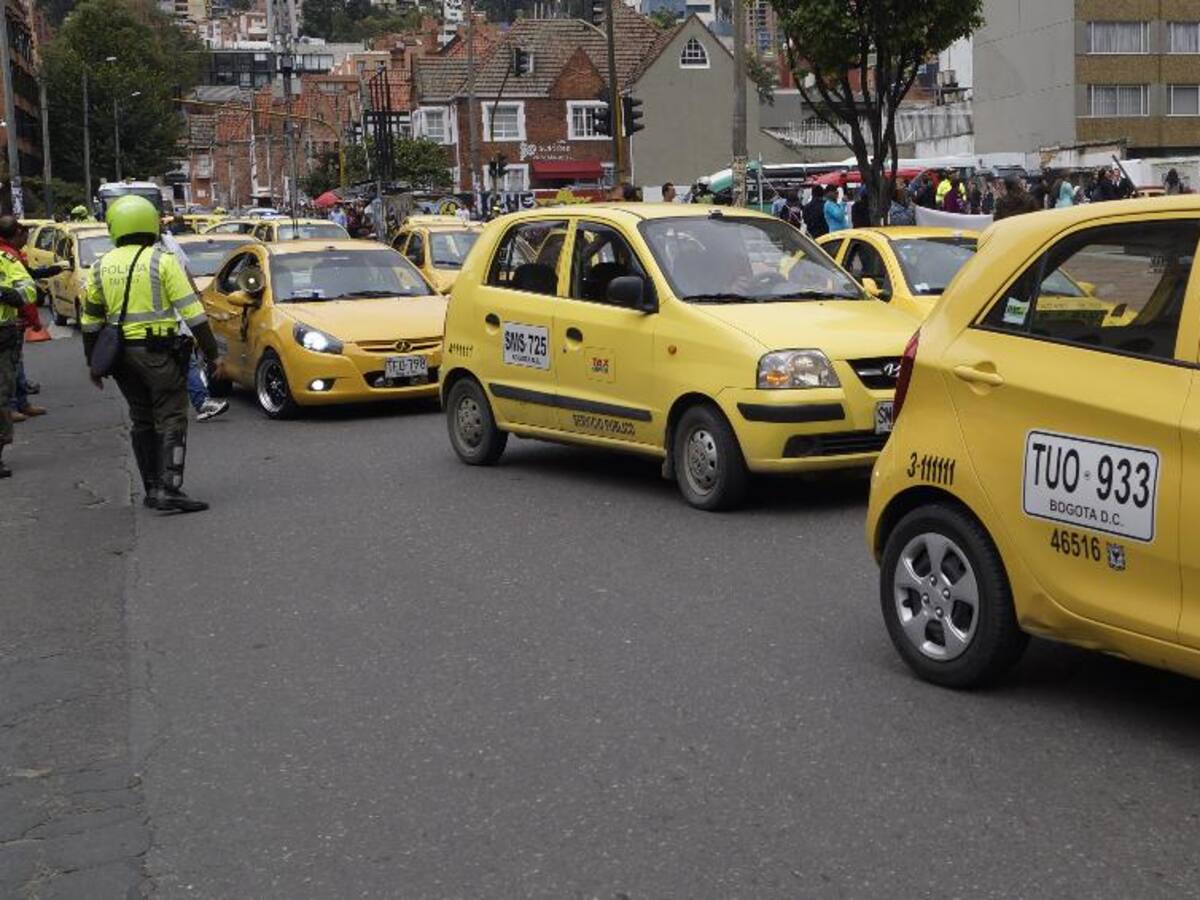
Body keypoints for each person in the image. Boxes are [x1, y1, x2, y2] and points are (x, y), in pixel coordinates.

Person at [80, 196, 226, 513]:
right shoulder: (162, 261)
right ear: (150, 224)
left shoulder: (101, 265)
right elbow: (193, 314)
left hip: (121, 358)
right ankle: (169, 487)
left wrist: (94, 364)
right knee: (171, 416)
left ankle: (151, 488)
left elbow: (90, 321)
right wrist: (212, 353)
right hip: (158, 355)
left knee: (141, 418)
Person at [158, 228, 230, 424]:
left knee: (187, 359)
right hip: (155, 323)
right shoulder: (149, 255)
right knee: (182, 362)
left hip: (176, 318)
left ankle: (200, 402)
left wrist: (196, 295)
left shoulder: (169, 241)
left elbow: (184, 270)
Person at [0, 219, 38, 477]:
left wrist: (6, 294)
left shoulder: (6, 259)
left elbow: (28, 291)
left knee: (2, 394)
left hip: (3, 335)